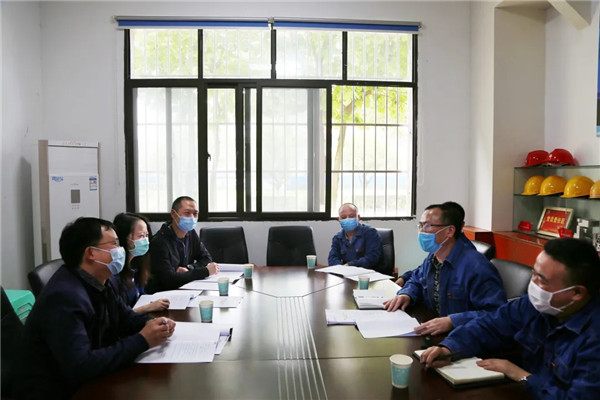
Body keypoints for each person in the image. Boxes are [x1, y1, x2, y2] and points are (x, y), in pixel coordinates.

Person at [15, 217, 176, 399]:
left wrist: (153, 323)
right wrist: (142, 340)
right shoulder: (64, 296)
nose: (121, 249)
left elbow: (125, 318)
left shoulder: (105, 280)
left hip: (90, 380)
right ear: (91, 253)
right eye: (114, 244)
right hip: (57, 391)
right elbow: (81, 366)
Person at [421, 238, 600, 399]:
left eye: (542, 280)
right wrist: (449, 348)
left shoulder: (594, 337)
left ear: (577, 293)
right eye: (534, 274)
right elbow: (490, 325)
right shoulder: (534, 305)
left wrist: (520, 375)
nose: (533, 284)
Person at [383, 202, 506, 335]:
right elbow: (417, 280)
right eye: (420, 225)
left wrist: (452, 321)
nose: (422, 231)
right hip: (436, 329)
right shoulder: (433, 257)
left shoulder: (477, 267)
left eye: (428, 226)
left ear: (450, 231)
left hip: (468, 337)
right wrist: (407, 294)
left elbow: (496, 313)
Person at [145, 196, 219, 293]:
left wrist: (189, 268)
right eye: (187, 213)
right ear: (173, 214)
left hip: (185, 288)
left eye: (195, 213)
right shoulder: (159, 242)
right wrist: (205, 271)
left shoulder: (191, 233)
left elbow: (206, 258)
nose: (192, 217)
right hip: (163, 294)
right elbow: (169, 279)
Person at [395, 201, 476, 286]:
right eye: (422, 225)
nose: (422, 230)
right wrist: (405, 279)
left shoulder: (468, 258)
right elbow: (423, 271)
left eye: (428, 226)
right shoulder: (439, 246)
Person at [113, 212, 169, 313]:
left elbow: (141, 296)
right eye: (141, 236)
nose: (146, 240)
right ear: (125, 238)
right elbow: (119, 315)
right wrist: (148, 307)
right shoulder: (115, 271)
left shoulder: (136, 265)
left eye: (146, 235)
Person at [327, 203, 387, 274]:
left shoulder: (371, 233)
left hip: (371, 275)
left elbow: (372, 258)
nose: (347, 219)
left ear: (358, 218)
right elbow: (332, 258)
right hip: (347, 275)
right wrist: (340, 268)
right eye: (343, 217)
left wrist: (350, 265)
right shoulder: (338, 237)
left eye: (351, 216)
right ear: (339, 219)